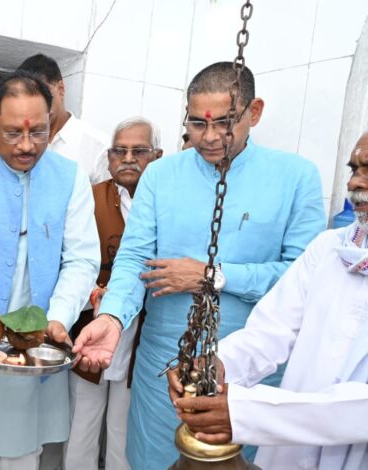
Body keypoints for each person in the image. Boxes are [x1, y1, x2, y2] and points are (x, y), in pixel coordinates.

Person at [74, 61, 326, 468]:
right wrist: (113, 317)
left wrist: (213, 276)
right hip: (165, 373)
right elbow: (135, 258)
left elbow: (305, 278)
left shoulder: (296, 178)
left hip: (250, 378)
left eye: (225, 123)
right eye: (197, 124)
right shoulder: (160, 175)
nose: (209, 138)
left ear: (254, 112)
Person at [168, 131, 368, 470]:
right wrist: (219, 365)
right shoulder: (329, 248)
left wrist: (248, 412)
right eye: (355, 169)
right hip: (289, 453)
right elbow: (270, 331)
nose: (357, 183)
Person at [0, 70, 100, 469]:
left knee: (26, 455)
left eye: (38, 132)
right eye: (12, 133)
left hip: (38, 350)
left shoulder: (71, 179)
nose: (27, 145)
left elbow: (81, 260)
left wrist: (59, 318)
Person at [64, 117, 162, 470]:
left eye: (139, 151)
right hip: (92, 328)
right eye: (119, 151)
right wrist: (90, 288)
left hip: (143, 338)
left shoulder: (166, 202)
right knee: (82, 425)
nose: (128, 158)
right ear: (108, 158)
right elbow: (67, 257)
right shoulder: (88, 198)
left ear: (158, 155)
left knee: (124, 430)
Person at [17, 53, 110, 185]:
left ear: (61, 89)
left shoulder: (96, 147)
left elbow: (108, 201)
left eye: (43, 95)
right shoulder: (17, 142)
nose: (37, 106)